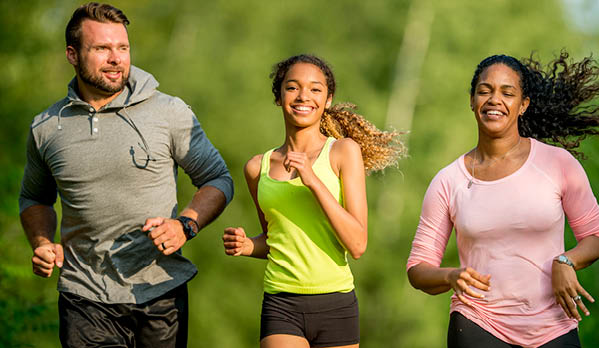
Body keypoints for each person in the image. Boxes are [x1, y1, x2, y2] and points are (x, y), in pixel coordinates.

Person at [18, 3, 233, 347]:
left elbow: (218, 178)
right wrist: (42, 242)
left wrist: (186, 224)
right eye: (102, 48)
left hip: (160, 291)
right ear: (72, 54)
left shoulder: (169, 111)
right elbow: (35, 198)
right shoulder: (47, 127)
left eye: (122, 47)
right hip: (83, 295)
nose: (116, 58)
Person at [406, 52, 599, 348]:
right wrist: (451, 275)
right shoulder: (448, 180)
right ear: (472, 100)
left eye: (507, 92)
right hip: (478, 321)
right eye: (484, 91)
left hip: (553, 326)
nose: (494, 100)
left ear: (523, 105)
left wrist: (567, 261)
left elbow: (597, 237)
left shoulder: (557, 163)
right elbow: (418, 268)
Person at [222, 54, 405, 348]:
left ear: (328, 100)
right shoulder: (258, 168)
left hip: (336, 304)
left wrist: (313, 181)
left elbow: (357, 244)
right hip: (281, 303)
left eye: (315, 89)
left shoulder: (344, 152)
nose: (303, 96)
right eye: (292, 87)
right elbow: (274, 241)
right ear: (279, 97)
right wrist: (247, 246)